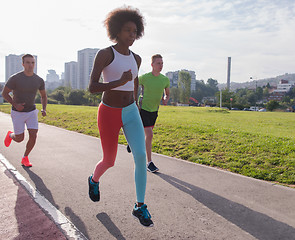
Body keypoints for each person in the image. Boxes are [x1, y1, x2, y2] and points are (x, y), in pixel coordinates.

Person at [87, 6, 153, 227]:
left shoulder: (137, 58)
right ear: (116, 30)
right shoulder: (105, 54)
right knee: (109, 160)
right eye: (127, 30)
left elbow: (134, 83)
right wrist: (117, 82)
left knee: (141, 156)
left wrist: (135, 103)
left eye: (135, 31)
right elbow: (92, 87)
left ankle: (140, 206)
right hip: (108, 112)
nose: (132, 35)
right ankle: (94, 180)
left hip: (131, 111)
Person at [2, 54, 47, 167]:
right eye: (27, 62)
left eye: (32, 62)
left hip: (31, 111)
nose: (30, 65)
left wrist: (43, 108)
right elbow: (4, 93)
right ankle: (11, 135)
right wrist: (15, 104)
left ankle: (25, 157)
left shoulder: (39, 80)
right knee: (19, 138)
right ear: (23, 64)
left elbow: (44, 96)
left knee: (33, 135)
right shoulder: (15, 78)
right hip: (17, 113)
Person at [127, 54, 170, 173]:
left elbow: (167, 93)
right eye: (158, 63)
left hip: (154, 110)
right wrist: (134, 100)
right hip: (143, 108)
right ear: (152, 65)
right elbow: (133, 83)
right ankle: (149, 162)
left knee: (142, 132)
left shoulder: (164, 79)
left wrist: (166, 99)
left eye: (162, 63)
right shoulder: (145, 77)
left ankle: (131, 142)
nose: (161, 65)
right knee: (149, 135)